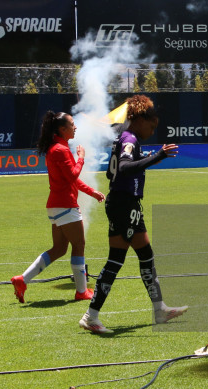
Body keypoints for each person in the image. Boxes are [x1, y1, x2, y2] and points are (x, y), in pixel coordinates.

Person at [79, 95, 187, 334]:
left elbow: (111, 173)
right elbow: (125, 168)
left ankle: (160, 309)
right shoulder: (130, 138)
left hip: (128, 204)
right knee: (116, 260)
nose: (153, 130)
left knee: (146, 255)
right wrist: (157, 156)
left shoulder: (124, 138)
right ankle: (91, 316)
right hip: (124, 205)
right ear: (139, 120)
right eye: (152, 125)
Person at [11, 111, 105, 303]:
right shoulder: (60, 150)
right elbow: (73, 176)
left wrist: (92, 192)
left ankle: (22, 280)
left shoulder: (57, 148)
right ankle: (81, 292)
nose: (75, 127)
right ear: (62, 129)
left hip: (56, 206)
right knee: (79, 245)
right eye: (72, 124)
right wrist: (81, 157)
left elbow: (71, 180)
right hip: (65, 205)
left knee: (59, 249)